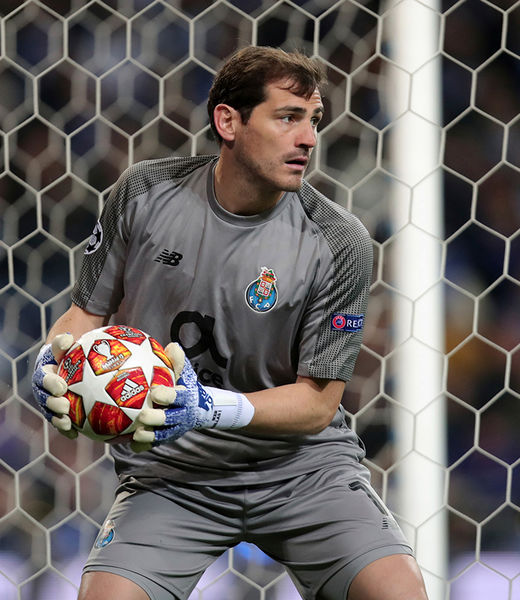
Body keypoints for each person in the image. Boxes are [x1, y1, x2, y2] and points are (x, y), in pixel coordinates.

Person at [32, 46, 429, 600]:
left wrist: (207, 408)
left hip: (303, 473)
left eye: (314, 120)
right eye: (288, 117)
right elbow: (83, 316)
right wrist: (53, 362)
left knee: (399, 594)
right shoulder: (143, 194)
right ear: (228, 122)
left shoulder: (339, 241)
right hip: (173, 476)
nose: (308, 138)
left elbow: (317, 404)